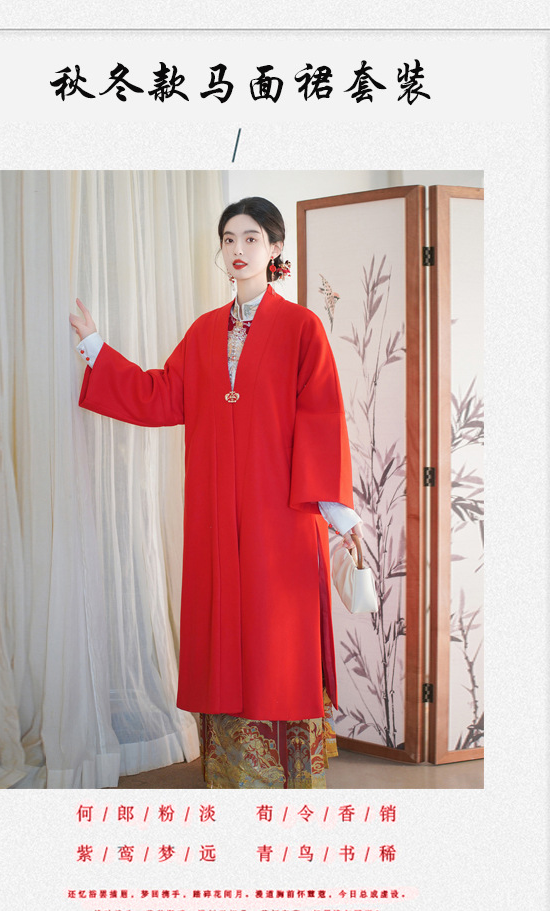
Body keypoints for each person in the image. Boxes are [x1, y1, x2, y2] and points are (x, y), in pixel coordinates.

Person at [70, 196, 362, 789]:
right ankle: (231, 773)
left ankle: (284, 776)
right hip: (215, 515)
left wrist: (340, 517)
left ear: (275, 248)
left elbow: (323, 420)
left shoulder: (302, 328)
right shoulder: (204, 332)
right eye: (229, 238)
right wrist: (95, 346)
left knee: (276, 639)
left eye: (251, 238)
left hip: (282, 516)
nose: (238, 249)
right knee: (225, 631)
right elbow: (159, 395)